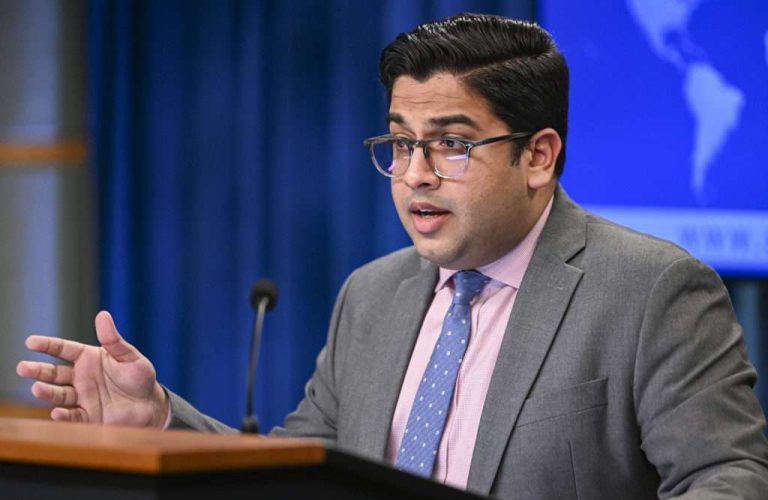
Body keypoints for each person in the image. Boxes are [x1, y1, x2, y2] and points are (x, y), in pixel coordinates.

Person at [16, 13, 768, 499]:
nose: (415, 175)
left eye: (451, 143)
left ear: (539, 155)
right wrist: (160, 420)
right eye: (402, 143)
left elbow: (728, 478)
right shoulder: (371, 296)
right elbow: (299, 473)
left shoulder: (650, 289)